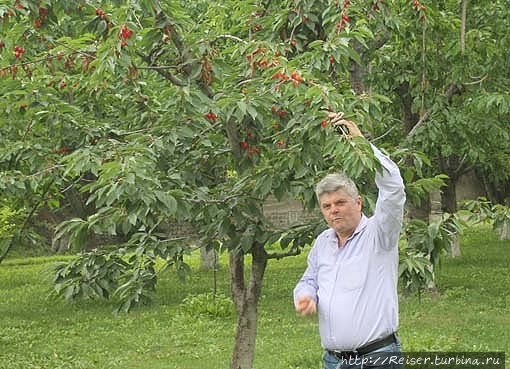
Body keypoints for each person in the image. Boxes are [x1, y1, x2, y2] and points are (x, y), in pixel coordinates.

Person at [293, 113, 406, 369]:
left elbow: (393, 189)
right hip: (333, 361)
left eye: (340, 202)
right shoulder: (323, 243)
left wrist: (362, 146)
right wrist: (306, 295)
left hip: (377, 358)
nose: (334, 210)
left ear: (357, 202)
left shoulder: (380, 234)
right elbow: (309, 279)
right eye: (327, 206)